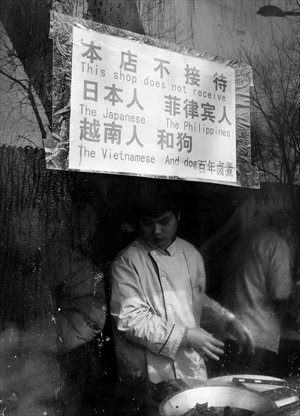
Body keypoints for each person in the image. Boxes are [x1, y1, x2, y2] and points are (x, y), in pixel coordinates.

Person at [109, 193, 254, 413]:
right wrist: (184, 335)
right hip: (150, 374)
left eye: (164, 221)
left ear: (178, 216)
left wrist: (227, 320)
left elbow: (197, 298)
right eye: (148, 224)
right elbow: (130, 319)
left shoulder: (190, 254)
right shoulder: (127, 261)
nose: (156, 231)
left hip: (190, 368)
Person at [0, 203, 107, 416]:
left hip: (66, 368)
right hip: (18, 372)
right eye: (15, 231)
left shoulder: (73, 266)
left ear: (46, 230)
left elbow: (90, 318)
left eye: (26, 230)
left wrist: (25, 336)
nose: (19, 238)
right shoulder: (9, 267)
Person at [220, 209, 293, 376]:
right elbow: (280, 293)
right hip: (258, 336)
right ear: (288, 227)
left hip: (232, 330)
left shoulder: (244, 239)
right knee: (258, 395)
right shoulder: (276, 244)